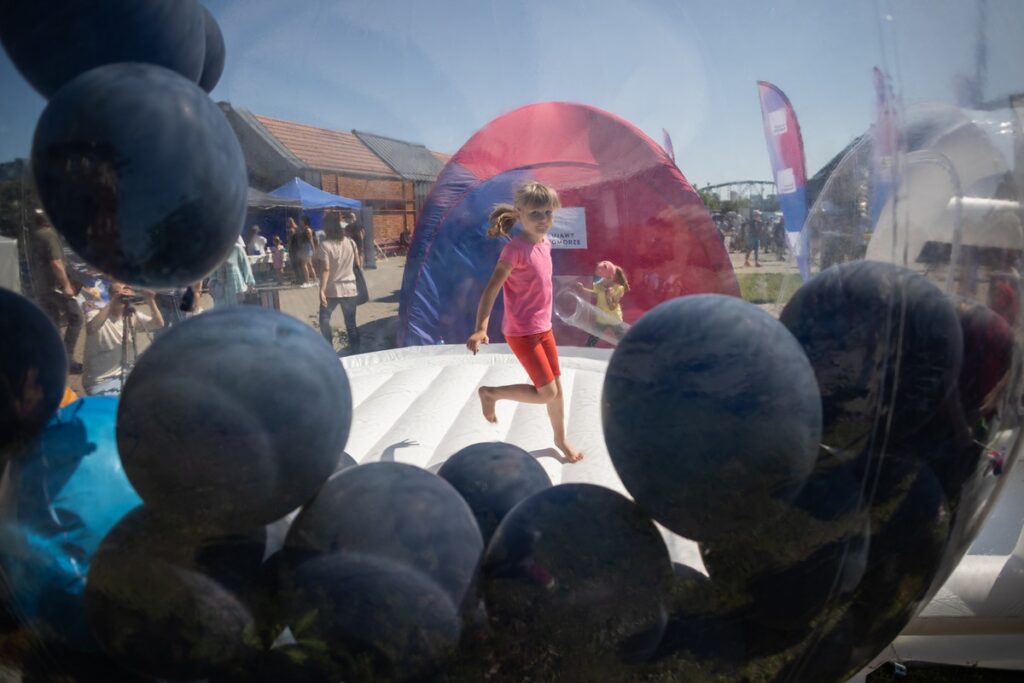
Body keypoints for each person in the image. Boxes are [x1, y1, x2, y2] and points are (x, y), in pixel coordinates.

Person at [466, 181, 583, 464]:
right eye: (535, 214)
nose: (543, 220)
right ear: (520, 213)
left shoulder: (546, 243)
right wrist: (481, 327)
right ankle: (490, 394)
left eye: (548, 213)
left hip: (544, 328)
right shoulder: (514, 251)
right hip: (523, 332)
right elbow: (491, 289)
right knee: (547, 393)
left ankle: (559, 438)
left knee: (557, 389)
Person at [26, 210, 85, 373]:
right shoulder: (49, 235)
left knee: (53, 323)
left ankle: (55, 360)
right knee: (76, 318)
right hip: (55, 289)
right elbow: (56, 263)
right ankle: (67, 360)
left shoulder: (34, 235)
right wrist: (66, 285)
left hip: (41, 288)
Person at [83, 282, 164, 395]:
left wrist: (150, 300)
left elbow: (158, 324)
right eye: (119, 291)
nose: (123, 293)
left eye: (127, 290)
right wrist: (113, 301)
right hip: (100, 380)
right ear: (111, 295)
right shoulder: (96, 313)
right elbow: (91, 328)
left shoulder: (132, 315)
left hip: (125, 374)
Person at [318, 213, 361, 354]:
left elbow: (326, 269)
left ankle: (329, 350)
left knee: (324, 319)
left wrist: (321, 290)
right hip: (350, 288)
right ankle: (357, 353)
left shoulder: (324, 245)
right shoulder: (351, 242)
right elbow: (358, 264)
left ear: (326, 227)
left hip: (332, 290)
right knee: (351, 325)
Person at [575, 260, 629, 347]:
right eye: (597, 278)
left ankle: (630, 352)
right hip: (601, 319)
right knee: (592, 341)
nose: (598, 281)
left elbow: (612, 307)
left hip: (614, 319)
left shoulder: (618, 288)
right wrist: (583, 289)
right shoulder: (599, 286)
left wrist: (608, 297)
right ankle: (587, 353)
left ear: (610, 277)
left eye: (600, 278)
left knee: (622, 340)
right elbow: (595, 294)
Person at [209, 236, 256, 307]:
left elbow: (245, 266)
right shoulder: (215, 250)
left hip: (236, 287)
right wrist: (212, 284)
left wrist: (250, 283)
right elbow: (213, 269)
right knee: (222, 312)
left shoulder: (237, 248)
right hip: (221, 289)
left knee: (237, 312)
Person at [288, 216, 316, 287]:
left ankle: (307, 282)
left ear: (304, 221)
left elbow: (311, 240)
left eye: (301, 221)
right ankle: (315, 280)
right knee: (309, 265)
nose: (300, 222)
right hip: (305, 248)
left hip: (306, 248)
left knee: (304, 265)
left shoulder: (307, 230)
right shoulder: (303, 229)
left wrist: (313, 249)